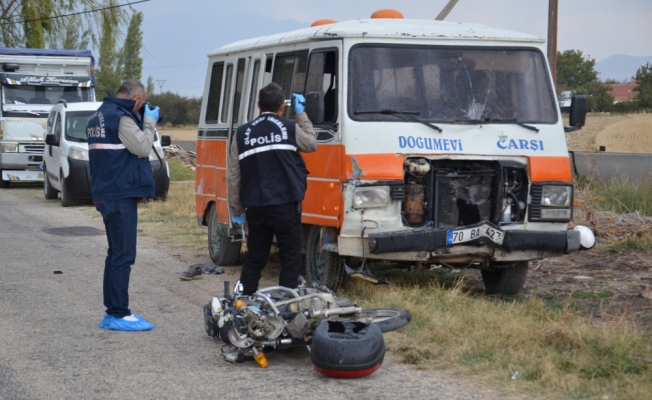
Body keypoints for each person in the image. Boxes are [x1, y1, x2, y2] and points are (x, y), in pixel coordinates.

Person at [228, 83, 317, 296]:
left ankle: (243, 306)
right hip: (287, 206)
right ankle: (285, 312)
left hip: (256, 208)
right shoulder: (289, 127)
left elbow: (233, 176)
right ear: (282, 107)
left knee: (255, 260)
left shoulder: (241, 134)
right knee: (290, 261)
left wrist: (236, 209)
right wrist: (302, 114)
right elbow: (312, 144)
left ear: (258, 105)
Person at [87, 79, 160, 331]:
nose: (141, 109)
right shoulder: (121, 117)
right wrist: (149, 123)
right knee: (124, 255)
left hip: (106, 192)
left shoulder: (99, 115)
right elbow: (142, 147)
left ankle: (112, 311)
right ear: (137, 99)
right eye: (141, 105)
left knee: (115, 254)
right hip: (119, 194)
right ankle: (119, 313)